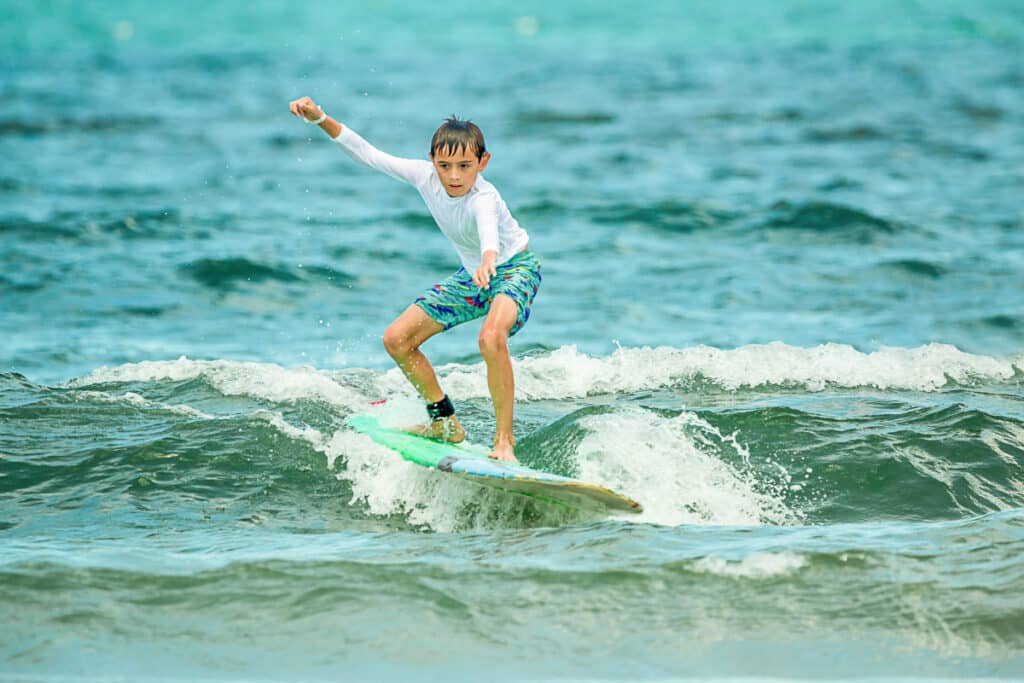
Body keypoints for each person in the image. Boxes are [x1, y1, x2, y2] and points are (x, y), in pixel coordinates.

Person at [288, 96, 541, 463]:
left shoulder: (485, 197)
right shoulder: (424, 177)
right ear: (431, 161)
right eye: (445, 165)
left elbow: (489, 232)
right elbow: (367, 153)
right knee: (397, 339)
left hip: (515, 268)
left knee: (490, 337)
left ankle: (504, 441)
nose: (454, 176)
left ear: (482, 163)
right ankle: (444, 422)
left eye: (465, 166)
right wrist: (320, 118)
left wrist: (489, 259)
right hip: (473, 276)